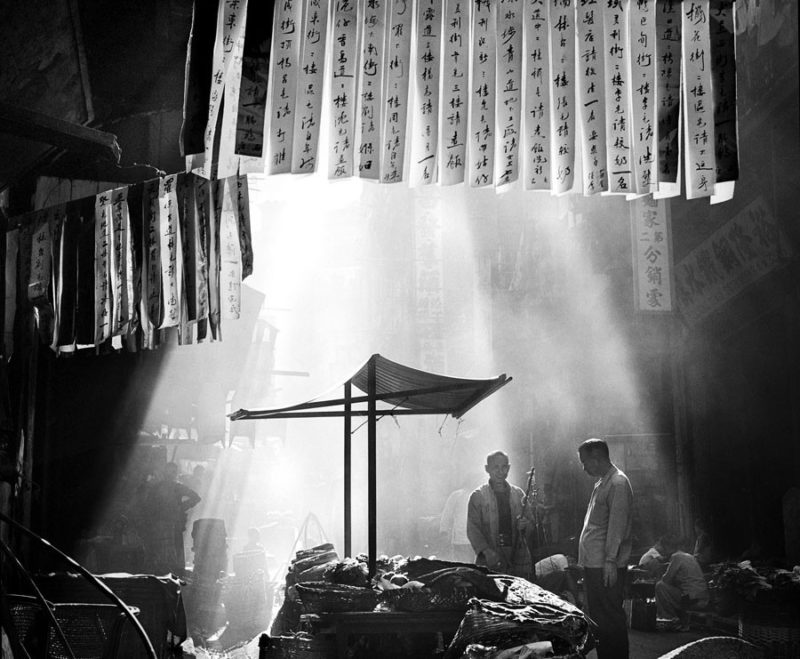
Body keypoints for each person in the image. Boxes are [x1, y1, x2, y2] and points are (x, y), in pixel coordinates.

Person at [577, 438, 633, 659]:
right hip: (595, 564)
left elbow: (617, 526)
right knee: (600, 618)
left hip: (605, 566)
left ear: (596, 458)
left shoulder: (618, 483)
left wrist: (610, 560)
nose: (584, 467)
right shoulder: (603, 483)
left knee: (610, 616)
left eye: (585, 462)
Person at [466, 450, 532, 578]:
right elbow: (472, 529)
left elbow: (531, 526)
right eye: (495, 467)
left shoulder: (519, 495)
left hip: (516, 554)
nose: (501, 472)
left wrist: (525, 525)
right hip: (491, 555)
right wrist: (486, 551)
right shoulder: (478, 496)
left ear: (509, 468)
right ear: (487, 469)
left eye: (504, 467)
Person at [145, 462, 201, 576]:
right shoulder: (157, 488)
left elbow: (196, 498)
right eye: (169, 471)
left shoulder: (177, 487)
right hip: (161, 524)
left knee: (175, 547)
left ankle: (175, 572)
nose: (171, 474)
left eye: (173, 472)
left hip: (173, 524)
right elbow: (149, 506)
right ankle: (167, 571)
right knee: (165, 548)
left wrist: (181, 508)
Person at [655, 535, 710, 630]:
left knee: (660, 586)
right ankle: (673, 618)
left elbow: (666, 580)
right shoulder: (689, 556)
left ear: (667, 547)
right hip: (703, 598)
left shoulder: (676, 557)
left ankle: (669, 619)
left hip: (692, 600)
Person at [439, 474, 478, 563]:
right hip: (460, 540)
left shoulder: (480, 495)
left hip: (477, 541)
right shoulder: (457, 495)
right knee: (463, 566)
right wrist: (444, 530)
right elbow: (447, 513)